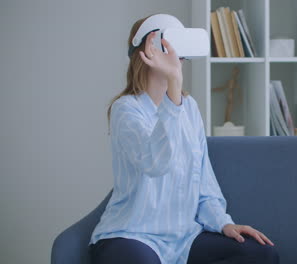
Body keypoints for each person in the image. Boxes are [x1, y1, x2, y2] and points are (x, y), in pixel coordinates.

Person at [88, 14, 279, 264]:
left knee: (263, 254)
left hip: (185, 238)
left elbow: (204, 183)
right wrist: (174, 85)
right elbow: (156, 163)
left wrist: (224, 223)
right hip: (132, 234)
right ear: (150, 48)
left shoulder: (189, 108)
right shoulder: (126, 110)